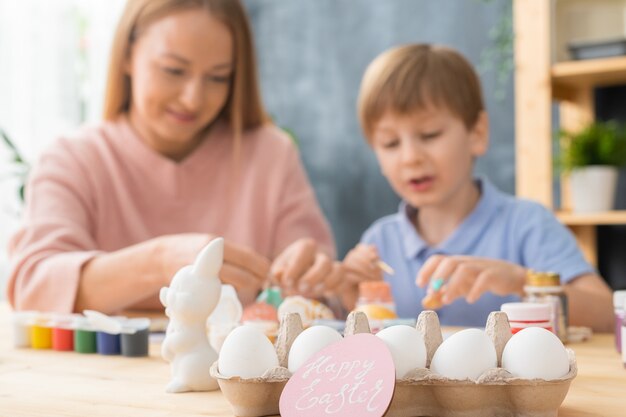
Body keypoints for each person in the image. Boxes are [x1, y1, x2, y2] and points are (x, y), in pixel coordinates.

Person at [7, 0, 340, 315]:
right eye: (173, 70)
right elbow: (34, 288)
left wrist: (314, 281)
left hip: (228, 375)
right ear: (126, 55)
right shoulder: (71, 159)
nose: (193, 99)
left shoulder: (271, 155)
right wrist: (160, 262)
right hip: (95, 373)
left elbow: (327, 296)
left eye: (218, 77)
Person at [342, 43, 613, 331]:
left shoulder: (528, 225)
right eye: (390, 143)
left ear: (477, 133)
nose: (410, 157)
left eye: (429, 134)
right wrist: (349, 294)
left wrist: (522, 282)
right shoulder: (378, 242)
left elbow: (608, 315)